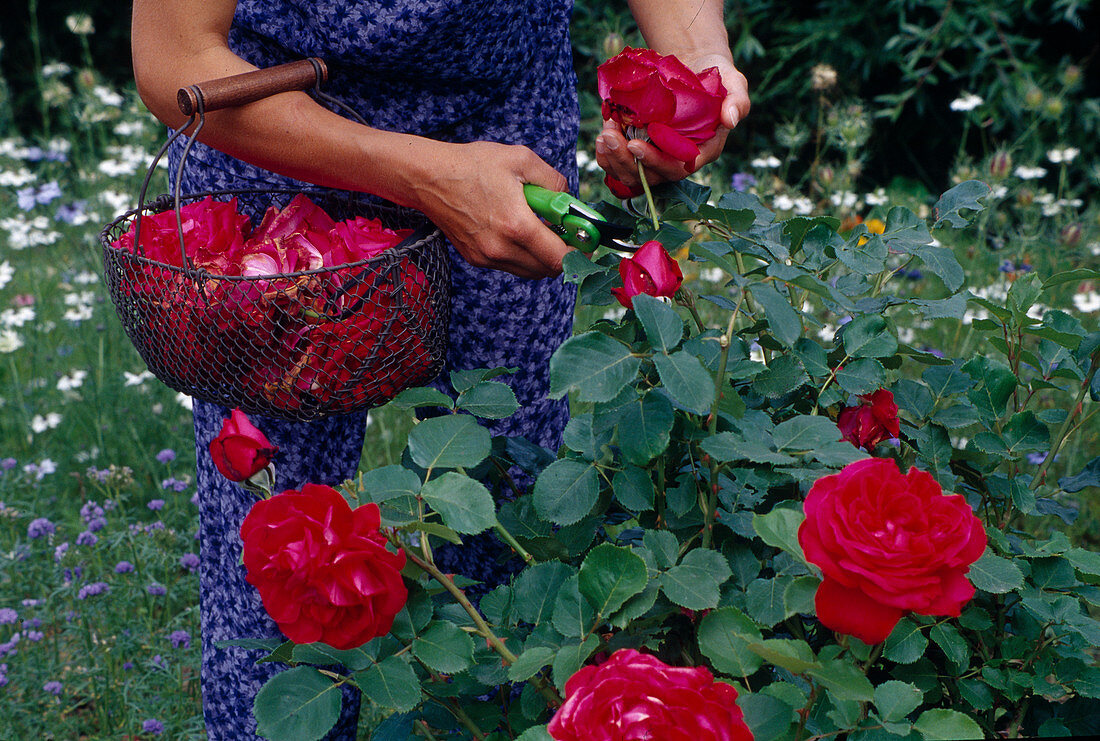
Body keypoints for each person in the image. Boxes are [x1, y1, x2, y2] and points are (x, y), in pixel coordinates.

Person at [130, 1, 749, 737]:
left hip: (500, 113)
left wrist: (696, 68)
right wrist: (423, 176)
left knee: (510, 501)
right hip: (265, 117)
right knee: (280, 542)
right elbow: (173, 61)